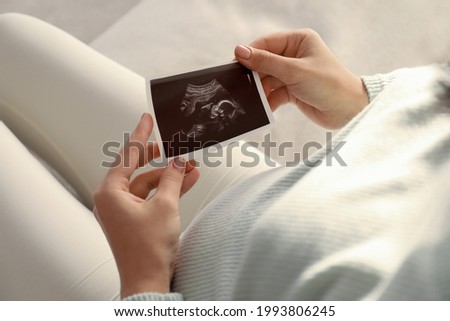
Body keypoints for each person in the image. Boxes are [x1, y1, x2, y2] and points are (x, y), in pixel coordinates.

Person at [1, 14, 449, 300]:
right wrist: (364, 103)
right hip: (273, 198)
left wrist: (145, 281)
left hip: (177, 297)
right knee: (12, 38)